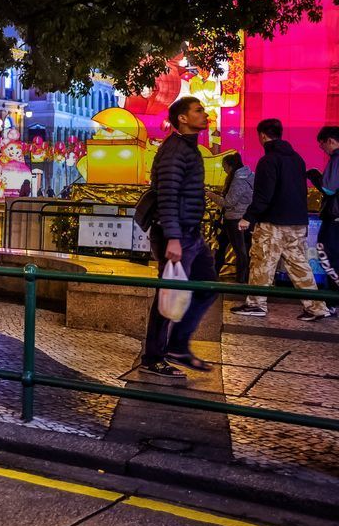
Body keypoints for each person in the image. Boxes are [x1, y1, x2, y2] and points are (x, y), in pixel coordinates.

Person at [140, 96, 218, 377]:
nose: (204, 114)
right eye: (198, 110)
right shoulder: (175, 150)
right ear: (182, 118)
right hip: (177, 235)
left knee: (207, 286)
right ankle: (153, 357)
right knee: (169, 295)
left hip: (191, 234)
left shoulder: (189, 148)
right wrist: (173, 237)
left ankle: (177, 346)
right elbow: (168, 195)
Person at [232, 119, 330, 320]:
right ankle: (316, 307)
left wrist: (248, 217)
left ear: (263, 135)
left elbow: (263, 195)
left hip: (274, 223)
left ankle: (256, 304)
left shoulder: (268, 160)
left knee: (262, 262)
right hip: (298, 222)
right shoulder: (297, 159)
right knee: (299, 265)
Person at [308, 125, 339, 318]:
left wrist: (315, 177)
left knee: (326, 255)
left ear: (330, 141)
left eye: (322, 146)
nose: (324, 151)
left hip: (334, 219)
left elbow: (329, 188)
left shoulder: (337, 158)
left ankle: (332, 301)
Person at [213, 153, 254, 284]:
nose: (224, 170)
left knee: (240, 250)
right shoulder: (250, 176)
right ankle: (213, 274)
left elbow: (229, 202)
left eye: (224, 167)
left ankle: (241, 281)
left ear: (230, 166)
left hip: (235, 219)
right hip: (243, 218)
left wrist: (211, 195)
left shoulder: (238, 179)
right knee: (222, 245)